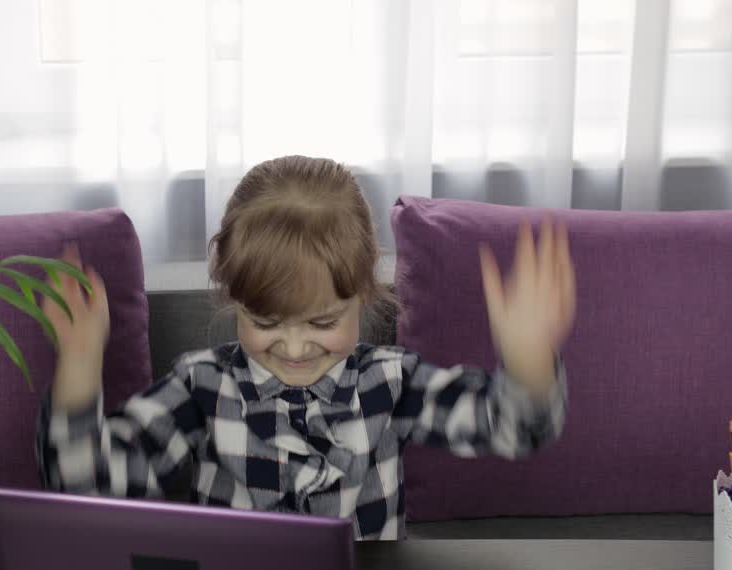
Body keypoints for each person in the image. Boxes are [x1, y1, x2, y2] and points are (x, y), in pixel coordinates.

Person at [36, 155, 575, 540]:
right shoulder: (201, 385)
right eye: (265, 321)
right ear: (233, 299)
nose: (294, 347)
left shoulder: (392, 382)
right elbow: (92, 488)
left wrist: (529, 367)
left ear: (364, 293)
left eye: (323, 321)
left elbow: (512, 427)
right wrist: (80, 371)